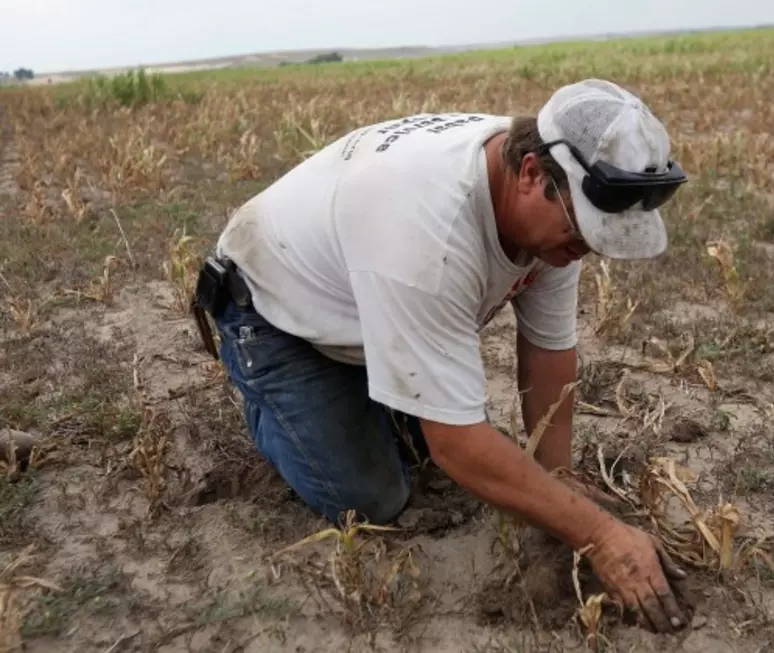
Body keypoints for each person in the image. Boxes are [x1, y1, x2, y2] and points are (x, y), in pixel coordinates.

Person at [192, 78, 690, 632]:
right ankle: (270, 399)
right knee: (372, 497)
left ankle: (369, 389)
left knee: (441, 452)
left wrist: (557, 473)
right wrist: (600, 535)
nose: (587, 250)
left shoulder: (554, 204)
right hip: (273, 310)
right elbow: (456, 443)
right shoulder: (428, 234)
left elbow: (548, 348)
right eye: (584, 232)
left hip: (367, 291)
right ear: (530, 175)